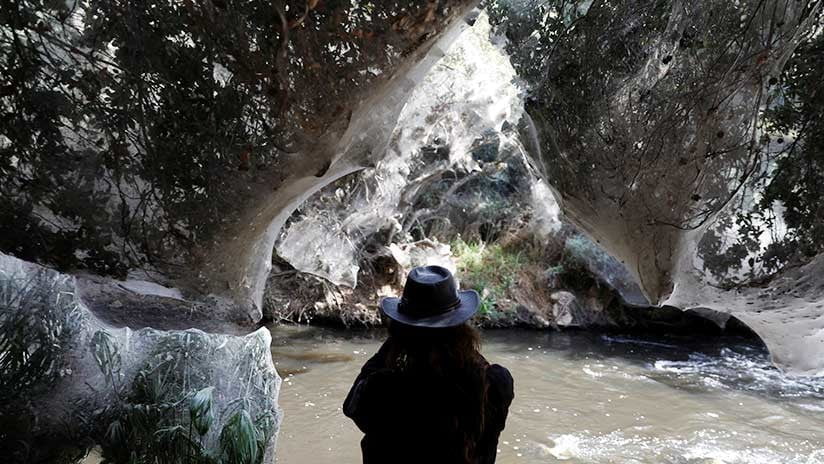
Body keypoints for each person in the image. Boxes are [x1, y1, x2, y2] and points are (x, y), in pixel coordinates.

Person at [343, 265, 514, 464]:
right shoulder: (494, 384)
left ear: (401, 332)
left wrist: (396, 339)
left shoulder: (384, 389)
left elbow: (351, 407)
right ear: (461, 328)